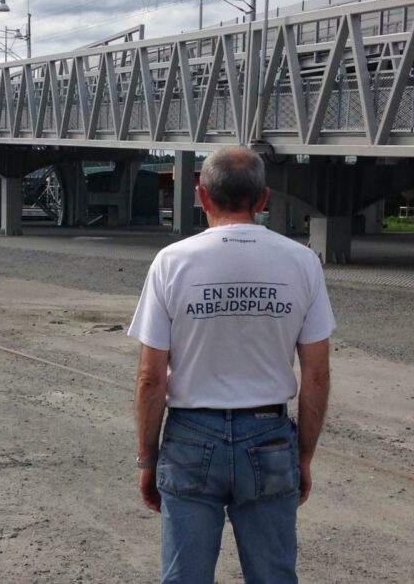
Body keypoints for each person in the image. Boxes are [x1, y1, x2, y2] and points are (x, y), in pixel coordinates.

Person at [129, 146, 334, 583]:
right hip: (269, 437)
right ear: (263, 200)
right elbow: (316, 375)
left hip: (189, 439)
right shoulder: (302, 263)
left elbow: (151, 378)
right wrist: (304, 455)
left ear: (203, 197)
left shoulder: (172, 262)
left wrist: (148, 459)